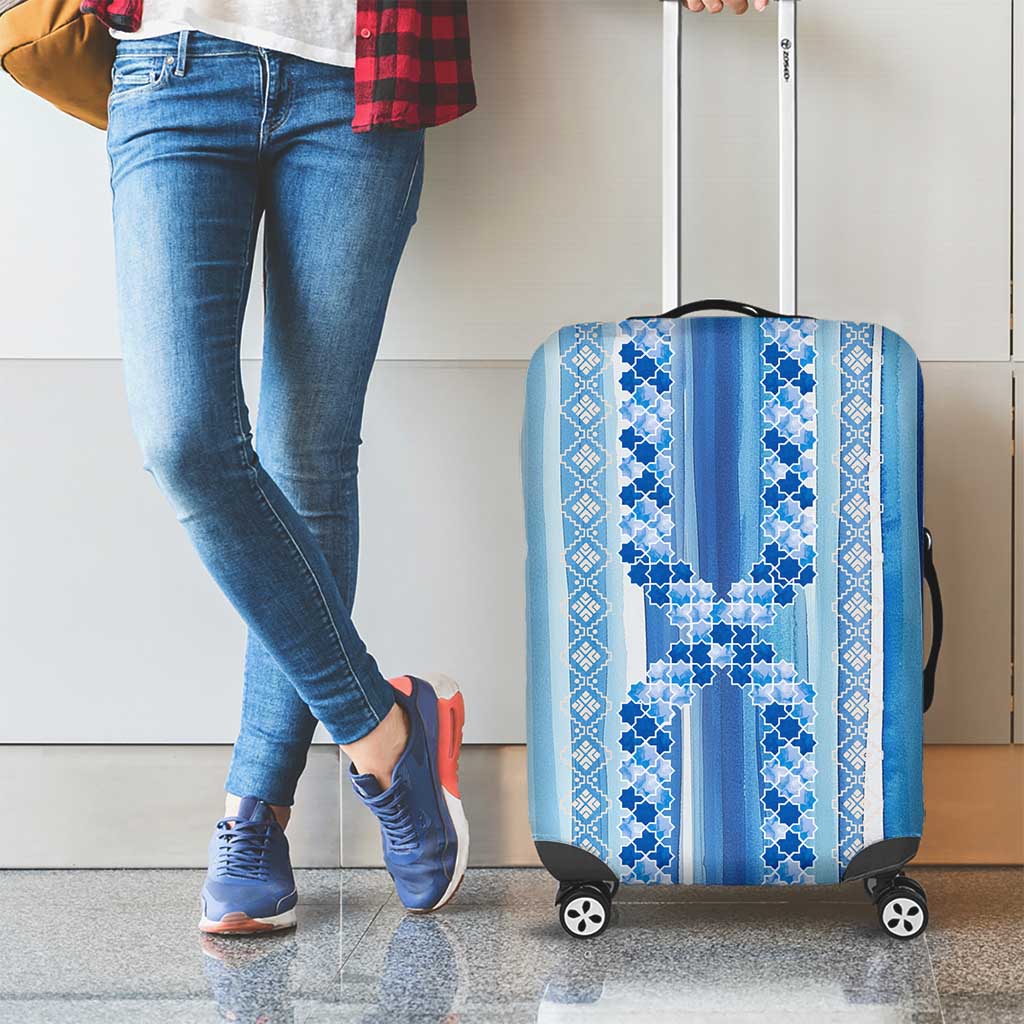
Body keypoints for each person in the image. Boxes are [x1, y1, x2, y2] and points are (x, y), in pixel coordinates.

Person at [81, 0, 474, 933]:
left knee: (309, 456)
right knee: (184, 440)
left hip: (358, 80)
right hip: (174, 69)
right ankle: (386, 732)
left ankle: (254, 816)